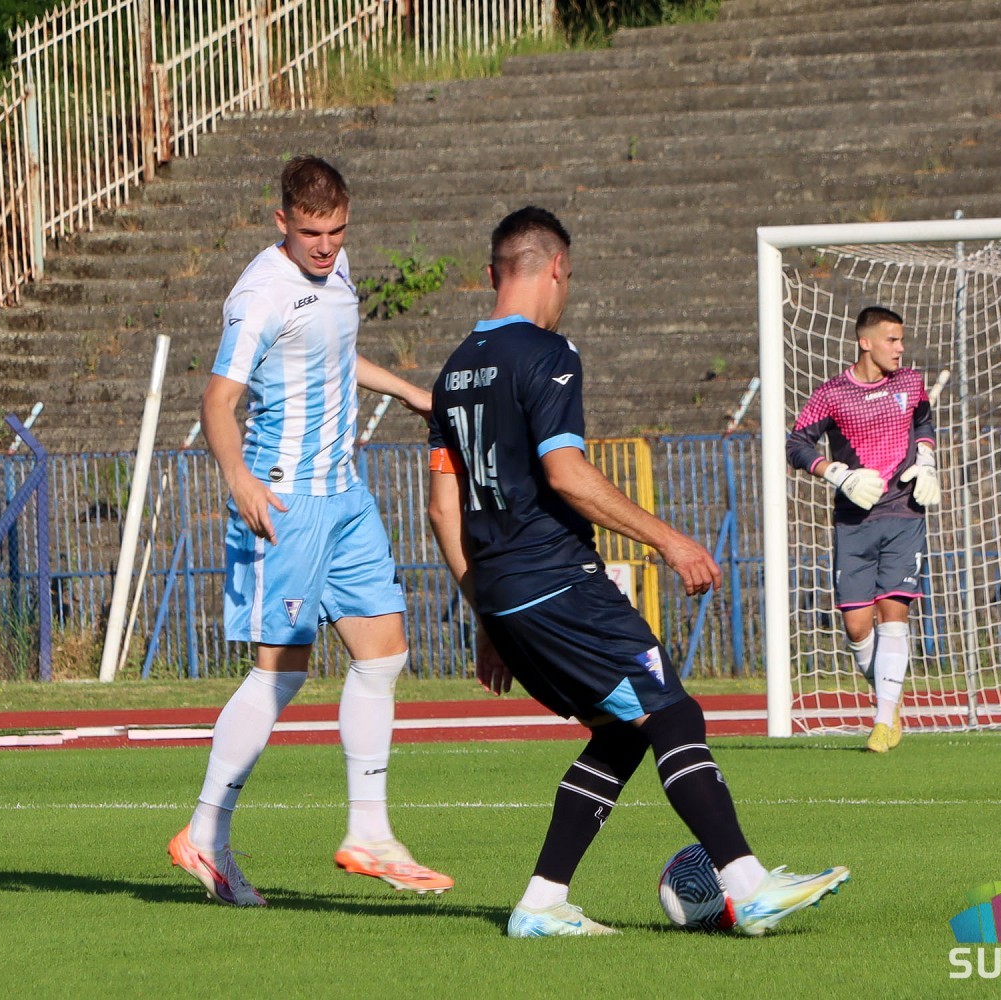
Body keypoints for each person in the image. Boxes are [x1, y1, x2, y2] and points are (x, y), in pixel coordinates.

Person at [426, 206, 850, 937]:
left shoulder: (451, 372)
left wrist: (486, 618)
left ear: (494, 272)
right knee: (673, 713)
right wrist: (669, 541)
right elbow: (566, 472)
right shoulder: (549, 353)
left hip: (500, 590)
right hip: (557, 578)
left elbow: (442, 511)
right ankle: (747, 884)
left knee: (623, 732)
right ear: (558, 267)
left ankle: (541, 903)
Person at [168, 155, 452, 905]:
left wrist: (409, 392)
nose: (325, 247)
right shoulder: (259, 294)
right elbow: (217, 401)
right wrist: (239, 479)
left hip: (345, 495)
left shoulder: (336, 268)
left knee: (384, 653)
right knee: (281, 672)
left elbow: (333, 352)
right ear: (282, 222)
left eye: (337, 231)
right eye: (311, 234)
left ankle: (369, 833)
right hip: (285, 499)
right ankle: (204, 835)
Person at [785, 306, 940, 753]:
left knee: (894, 614)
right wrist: (837, 473)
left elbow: (923, 421)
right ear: (865, 342)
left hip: (904, 513)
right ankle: (890, 699)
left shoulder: (909, 382)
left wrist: (927, 459)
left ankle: (882, 722)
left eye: (902, 340)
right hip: (853, 520)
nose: (900, 348)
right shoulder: (832, 393)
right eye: (892, 339)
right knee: (856, 627)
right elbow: (796, 444)